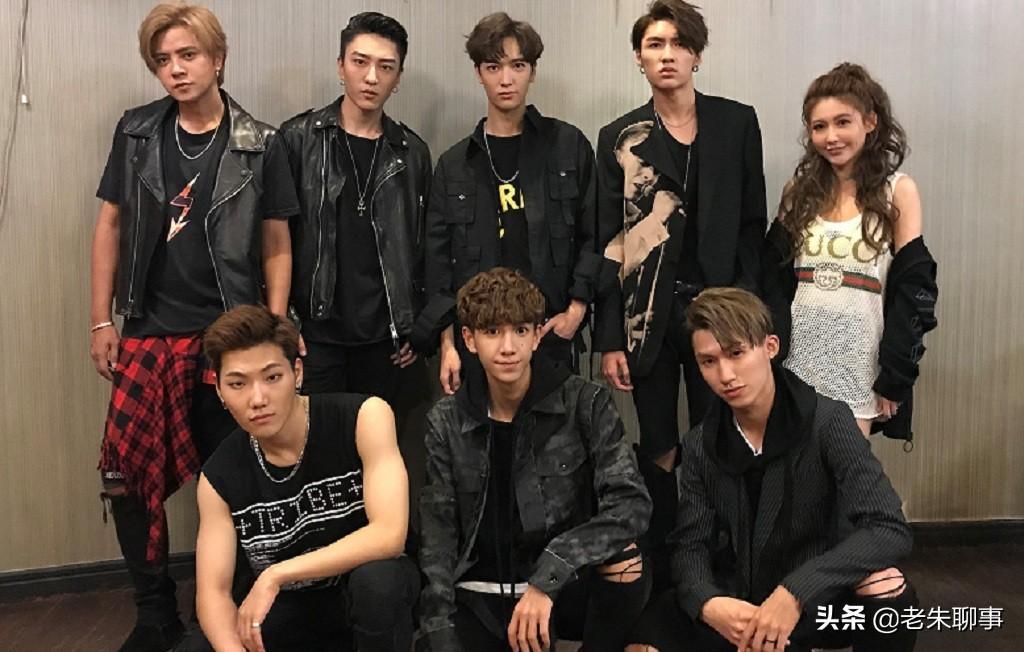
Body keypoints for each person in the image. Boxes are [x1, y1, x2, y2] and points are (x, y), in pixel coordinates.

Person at [89, 4, 298, 650]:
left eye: (188, 55)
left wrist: (272, 329)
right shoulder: (136, 134)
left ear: (217, 59)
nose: (176, 69)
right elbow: (110, 226)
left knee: (234, 473)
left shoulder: (260, 143)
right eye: (163, 60)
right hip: (148, 332)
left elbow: (276, 242)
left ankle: (238, 603)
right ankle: (154, 612)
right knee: (127, 476)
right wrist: (100, 319)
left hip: (226, 336)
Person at [627, 287, 918, 652]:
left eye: (736, 353)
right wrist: (709, 603)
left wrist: (796, 591)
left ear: (770, 347)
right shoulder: (702, 443)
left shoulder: (828, 422)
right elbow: (690, 545)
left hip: (816, 600)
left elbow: (888, 527)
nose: (726, 374)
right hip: (738, 601)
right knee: (644, 636)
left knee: (889, 590)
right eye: (708, 361)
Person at [592, 0, 767, 589]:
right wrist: (609, 338)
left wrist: (746, 311)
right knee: (659, 440)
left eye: (678, 44)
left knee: (722, 435)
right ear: (639, 58)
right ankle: (668, 559)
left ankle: (724, 558)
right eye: (654, 45)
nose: (667, 55)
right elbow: (611, 243)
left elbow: (752, 224)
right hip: (650, 314)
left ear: (696, 55)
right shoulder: (621, 136)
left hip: (721, 314)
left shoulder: (736, 122)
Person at [419, 268, 651, 651]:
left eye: (521, 331)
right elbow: (438, 534)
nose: (508, 347)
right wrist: (438, 628)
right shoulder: (446, 421)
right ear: (469, 340)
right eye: (492, 332)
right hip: (480, 593)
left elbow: (631, 505)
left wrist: (551, 574)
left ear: (537, 335)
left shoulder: (585, 402)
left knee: (627, 561)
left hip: (562, 585)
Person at [196, 305, 419, 652]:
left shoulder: (364, 417)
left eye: (272, 378)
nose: (258, 399)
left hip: (362, 597)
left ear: (297, 373)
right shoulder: (218, 476)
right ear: (221, 392)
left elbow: (389, 535)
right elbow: (213, 593)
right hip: (292, 607)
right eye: (238, 384)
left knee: (378, 583)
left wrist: (277, 573)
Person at [422, 12, 600, 394]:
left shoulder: (568, 146)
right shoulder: (454, 165)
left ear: (533, 71)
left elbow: (594, 235)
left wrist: (576, 312)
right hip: (478, 341)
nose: (506, 79)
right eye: (493, 67)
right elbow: (437, 265)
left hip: (551, 333)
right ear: (478, 73)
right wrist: (448, 344)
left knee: (556, 429)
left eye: (518, 66)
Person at [763, 62, 938, 441]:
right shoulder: (797, 192)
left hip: (859, 365)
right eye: (819, 126)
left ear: (870, 122)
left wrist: (896, 375)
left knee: (848, 472)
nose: (831, 137)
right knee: (791, 470)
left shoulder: (898, 191)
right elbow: (771, 279)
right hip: (796, 361)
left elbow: (914, 290)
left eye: (843, 122)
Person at [280, 12, 432, 412]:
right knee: (316, 443)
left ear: (398, 77)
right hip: (314, 339)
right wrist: (283, 322)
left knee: (380, 444)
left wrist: (416, 326)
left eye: (386, 67)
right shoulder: (298, 140)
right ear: (340, 66)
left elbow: (423, 249)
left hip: (387, 344)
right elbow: (273, 240)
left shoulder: (411, 153)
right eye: (360, 62)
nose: (371, 77)